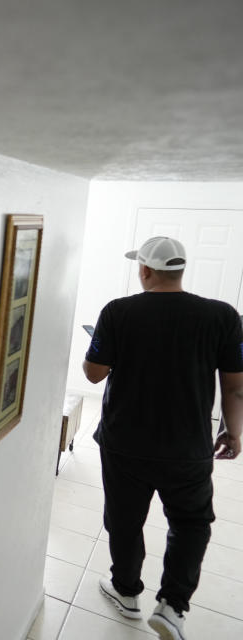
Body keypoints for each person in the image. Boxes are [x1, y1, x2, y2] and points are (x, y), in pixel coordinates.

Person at [83, 236, 243, 640]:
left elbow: (94, 373)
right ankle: (172, 606)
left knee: (124, 518)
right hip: (187, 447)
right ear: (180, 270)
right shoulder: (224, 316)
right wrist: (233, 430)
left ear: (145, 270)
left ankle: (126, 591)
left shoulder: (118, 311)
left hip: (125, 443)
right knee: (191, 523)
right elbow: (236, 387)